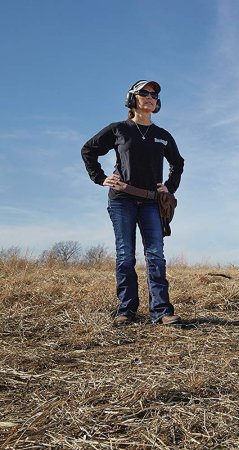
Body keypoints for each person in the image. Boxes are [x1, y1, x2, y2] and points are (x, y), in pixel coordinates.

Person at [81, 80, 185, 325]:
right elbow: (88, 150)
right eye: (144, 93)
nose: (150, 97)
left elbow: (178, 163)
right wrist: (100, 177)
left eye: (154, 94)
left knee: (155, 255)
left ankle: (161, 310)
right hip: (122, 200)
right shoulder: (119, 129)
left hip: (151, 202)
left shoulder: (163, 136)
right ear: (132, 99)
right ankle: (126, 310)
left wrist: (169, 187)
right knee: (126, 255)